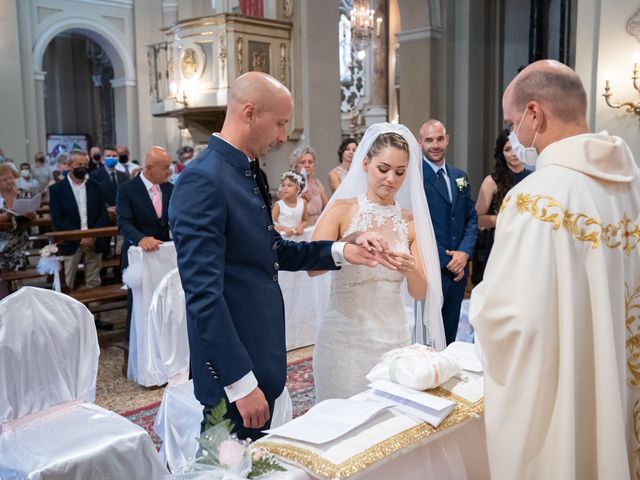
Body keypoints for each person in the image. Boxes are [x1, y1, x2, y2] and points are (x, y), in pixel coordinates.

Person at [169, 71, 393, 440]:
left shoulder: (246, 172)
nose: (282, 136)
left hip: (260, 356)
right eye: (279, 123)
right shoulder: (203, 180)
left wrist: (342, 249)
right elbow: (203, 297)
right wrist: (240, 384)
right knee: (226, 466)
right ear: (249, 112)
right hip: (233, 376)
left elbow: (273, 251)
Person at [470, 59, 640, 480]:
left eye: (513, 121)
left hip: (564, 392)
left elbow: (513, 320)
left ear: (534, 114)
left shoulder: (534, 200)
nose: (514, 134)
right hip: (622, 378)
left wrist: (481, 306)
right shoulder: (631, 186)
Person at [311, 123, 444, 401]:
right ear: (365, 164)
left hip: (392, 337)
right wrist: (349, 242)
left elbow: (420, 292)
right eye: (383, 169)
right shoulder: (341, 210)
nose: (391, 179)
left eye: (399, 172)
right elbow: (313, 267)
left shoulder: (409, 222)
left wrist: (410, 270)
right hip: (343, 336)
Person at [419, 119, 477, 344]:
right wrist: (447, 260)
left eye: (440, 139)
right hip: (432, 267)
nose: (435, 145)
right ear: (420, 142)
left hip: (458, 270)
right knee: (428, 335)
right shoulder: (414, 178)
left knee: (450, 332)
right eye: (429, 140)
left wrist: (463, 254)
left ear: (447, 140)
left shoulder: (459, 176)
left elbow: (470, 217)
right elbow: (419, 225)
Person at [117, 146, 173, 336]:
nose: (169, 171)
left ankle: (163, 337)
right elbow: (123, 223)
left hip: (165, 256)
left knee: (166, 300)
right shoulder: (127, 190)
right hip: (138, 255)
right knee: (138, 302)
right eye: (165, 167)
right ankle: (135, 340)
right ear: (149, 169)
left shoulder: (170, 188)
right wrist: (140, 238)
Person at [471, 129, 531, 283]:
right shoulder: (492, 181)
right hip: (500, 243)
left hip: (528, 242)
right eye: (507, 149)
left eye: (515, 148)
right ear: (501, 153)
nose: (513, 154)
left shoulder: (534, 178)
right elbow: (477, 219)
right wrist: (505, 220)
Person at [49, 149, 110, 294]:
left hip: (94, 240)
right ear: (69, 165)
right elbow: (57, 219)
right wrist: (80, 236)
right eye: (78, 164)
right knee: (67, 281)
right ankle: (65, 315)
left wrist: (92, 235)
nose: (82, 167)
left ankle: (94, 314)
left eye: (85, 164)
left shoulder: (96, 187)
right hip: (70, 241)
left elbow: (103, 215)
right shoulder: (57, 189)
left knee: (94, 281)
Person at [0, 164, 34, 273]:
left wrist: (30, 213)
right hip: (2, 241)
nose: (9, 181)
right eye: (4, 179)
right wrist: (7, 216)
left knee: (19, 274)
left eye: (10, 177)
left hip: (20, 239)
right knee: (4, 278)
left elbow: (33, 215)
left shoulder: (23, 193)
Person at [290, 146, 328, 225]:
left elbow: (328, 208)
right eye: (302, 162)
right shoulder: (289, 185)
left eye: (310, 162)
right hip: (298, 229)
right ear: (296, 165)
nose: (307, 165)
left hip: (317, 228)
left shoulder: (317, 183)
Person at [90, 146, 129, 211]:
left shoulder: (124, 176)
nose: (111, 158)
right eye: (108, 156)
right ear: (102, 158)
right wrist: (107, 208)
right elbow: (94, 196)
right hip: (104, 213)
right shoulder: (95, 175)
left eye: (114, 156)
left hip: (121, 212)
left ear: (118, 158)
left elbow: (127, 194)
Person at [272, 170, 308, 236]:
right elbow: (271, 223)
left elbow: (305, 221)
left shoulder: (303, 202)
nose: (285, 188)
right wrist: (282, 228)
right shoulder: (278, 205)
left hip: (298, 236)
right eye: (283, 185)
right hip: (284, 237)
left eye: (289, 185)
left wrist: (301, 226)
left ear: (298, 188)